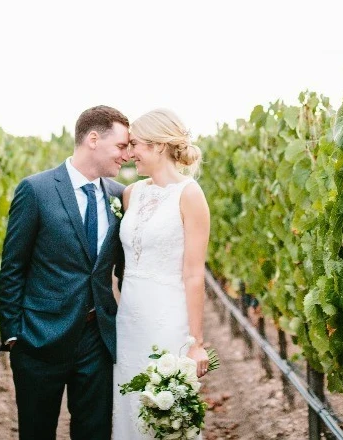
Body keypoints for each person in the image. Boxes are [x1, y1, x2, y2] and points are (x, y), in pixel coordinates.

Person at [0, 105, 131, 440]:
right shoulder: (36, 190)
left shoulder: (120, 196)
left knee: (94, 433)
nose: (126, 155)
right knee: (37, 432)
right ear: (94, 139)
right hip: (40, 339)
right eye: (121, 146)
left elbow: (124, 270)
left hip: (96, 341)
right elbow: (13, 266)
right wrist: (14, 335)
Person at [113, 108, 212, 439]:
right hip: (129, 319)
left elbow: (194, 274)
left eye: (135, 145)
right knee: (128, 405)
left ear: (158, 145)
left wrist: (196, 343)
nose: (129, 154)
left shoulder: (190, 195)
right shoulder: (131, 194)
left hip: (168, 318)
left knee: (164, 413)